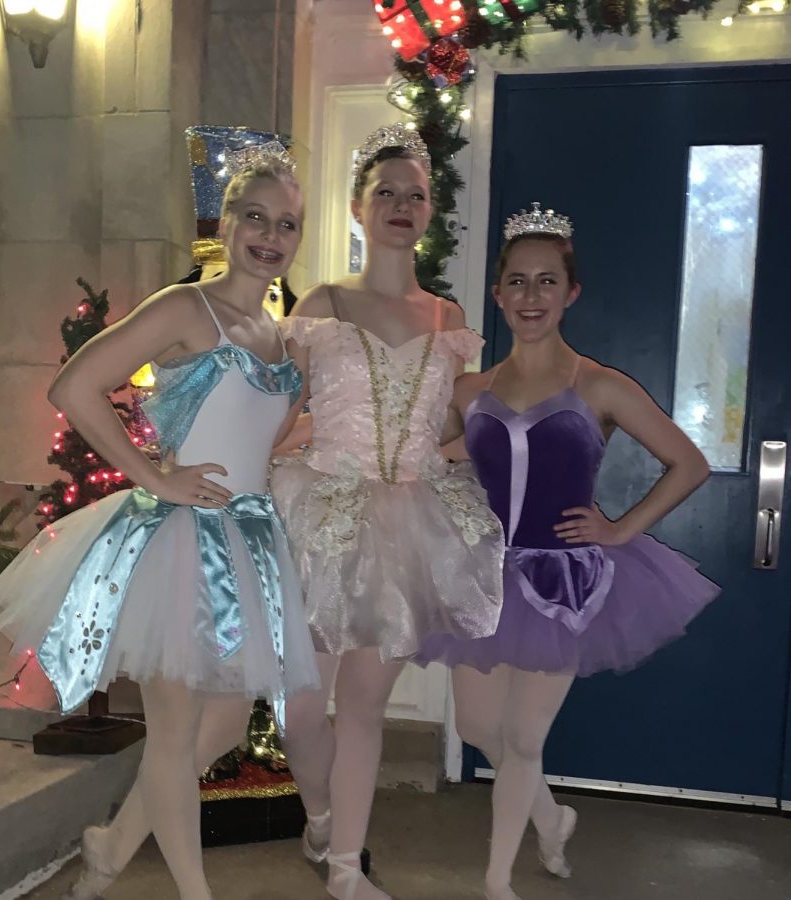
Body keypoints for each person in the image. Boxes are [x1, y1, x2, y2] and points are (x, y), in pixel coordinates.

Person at [0, 144, 318, 900]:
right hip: (178, 543)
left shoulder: (279, 334)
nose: (270, 235)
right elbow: (76, 385)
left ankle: (111, 843)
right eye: (254, 217)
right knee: (172, 734)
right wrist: (156, 475)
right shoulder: (183, 308)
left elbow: (259, 438)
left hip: (250, 542)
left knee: (224, 726)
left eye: (286, 223)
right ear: (225, 225)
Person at [417, 203, 720, 900]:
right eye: (516, 282)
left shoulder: (599, 386)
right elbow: (443, 459)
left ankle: (495, 881)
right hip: (483, 574)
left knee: (522, 740)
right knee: (475, 726)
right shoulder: (471, 390)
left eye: (546, 281)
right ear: (497, 295)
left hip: (563, 577)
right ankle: (551, 819)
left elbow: (689, 463)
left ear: (570, 292)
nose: (530, 296)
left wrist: (619, 529)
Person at [270, 124, 504, 900]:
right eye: (386, 193)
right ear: (358, 209)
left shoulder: (447, 317)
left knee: (363, 707)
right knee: (300, 710)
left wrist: (480, 450)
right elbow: (285, 408)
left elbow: (442, 426)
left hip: (407, 520)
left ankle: (345, 871)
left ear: (429, 211)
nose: (402, 206)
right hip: (319, 513)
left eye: (417, 195)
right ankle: (319, 818)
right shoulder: (324, 301)